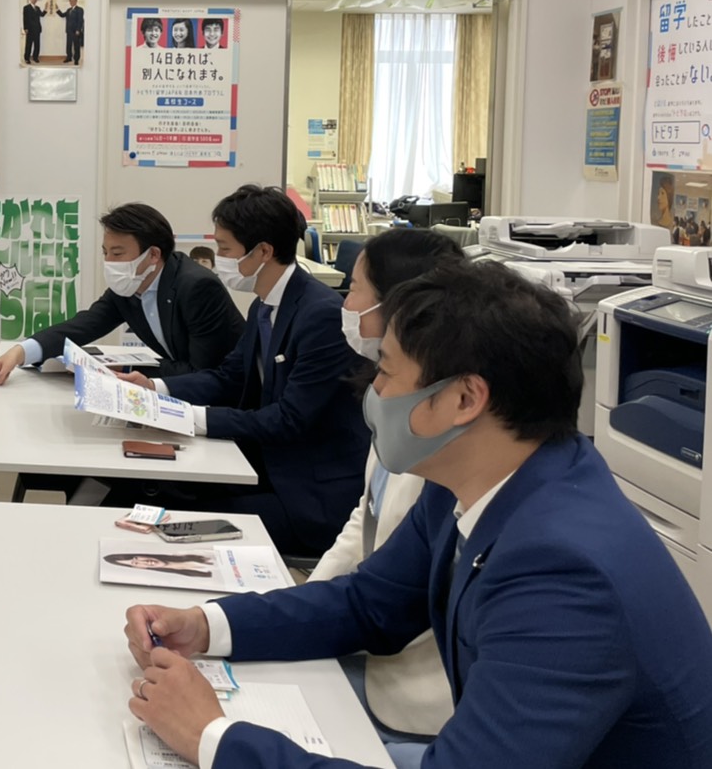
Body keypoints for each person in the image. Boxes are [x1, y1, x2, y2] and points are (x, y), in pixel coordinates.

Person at [121, 261, 712, 768]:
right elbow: (369, 604)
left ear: (464, 398)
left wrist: (212, 737)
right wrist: (207, 624)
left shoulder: (562, 574)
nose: (371, 390)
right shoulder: (477, 478)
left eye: (385, 371)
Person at [117, 185, 369, 556]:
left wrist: (187, 418)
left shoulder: (321, 315)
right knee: (148, 490)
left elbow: (288, 419)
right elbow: (229, 377)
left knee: (176, 521)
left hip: (309, 495)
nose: (219, 259)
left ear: (263, 251)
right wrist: (155, 390)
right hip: (267, 465)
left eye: (225, 249)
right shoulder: (264, 306)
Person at [309, 229, 464, 764]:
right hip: (372, 644)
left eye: (354, 289)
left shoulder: (443, 448)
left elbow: (397, 602)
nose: (344, 303)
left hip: (409, 694)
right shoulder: (397, 399)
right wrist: (308, 600)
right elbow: (367, 518)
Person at [0, 203, 245, 386]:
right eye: (106, 252)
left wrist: (123, 371)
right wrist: (20, 352)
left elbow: (203, 371)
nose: (109, 262)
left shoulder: (196, 287)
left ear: (153, 254)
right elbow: (86, 324)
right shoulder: (129, 285)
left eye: (117, 253)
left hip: (228, 400)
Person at [104, 551, 215, 578]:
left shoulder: (187, 553)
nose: (143, 562)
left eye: (136, 558)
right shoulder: (176, 578)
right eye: (135, 563)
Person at [56, 0, 85, 64]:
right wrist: (57, 9)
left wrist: (78, 30)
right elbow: (62, 15)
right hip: (69, 31)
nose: (72, 2)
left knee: (76, 46)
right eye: (70, 1)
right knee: (68, 45)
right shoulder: (69, 10)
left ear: (76, 1)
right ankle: (69, 57)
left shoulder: (80, 9)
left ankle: (76, 60)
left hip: (76, 31)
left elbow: (80, 20)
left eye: (73, 1)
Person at [23, 0, 48, 64]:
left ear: (37, 0)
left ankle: (35, 57)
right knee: (28, 44)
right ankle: (27, 58)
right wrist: (25, 28)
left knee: (37, 44)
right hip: (29, 29)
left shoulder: (37, 8)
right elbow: (25, 18)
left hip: (37, 29)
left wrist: (45, 8)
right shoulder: (26, 7)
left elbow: (42, 15)